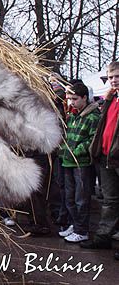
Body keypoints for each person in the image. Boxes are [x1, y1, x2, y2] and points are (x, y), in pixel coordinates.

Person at [81, 61, 119, 261]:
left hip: (117, 156)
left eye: (117, 76)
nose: (113, 80)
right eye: (111, 77)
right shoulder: (111, 99)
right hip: (106, 156)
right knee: (110, 199)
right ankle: (103, 236)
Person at [57, 82, 100, 242]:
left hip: (81, 163)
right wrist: (63, 149)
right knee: (69, 198)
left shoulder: (93, 116)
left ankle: (82, 230)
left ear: (84, 97)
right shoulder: (73, 115)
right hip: (67, 162)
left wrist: (76, 151)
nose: (71, 102)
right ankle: (75, 225)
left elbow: (93, 139)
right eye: (69, 99)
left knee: (81, 199)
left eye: (74, 99)